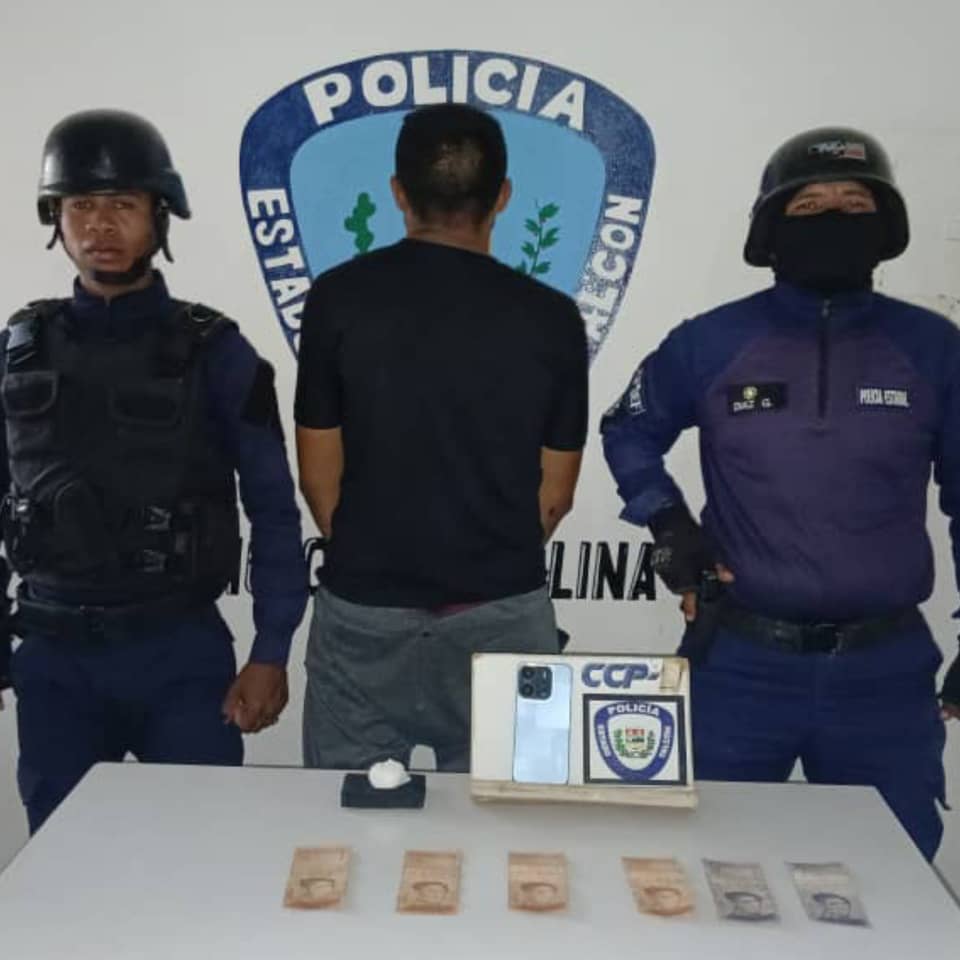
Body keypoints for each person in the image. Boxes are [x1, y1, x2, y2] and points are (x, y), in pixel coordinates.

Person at [601, 126, 959, 861]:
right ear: (770, 229)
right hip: (739, 666)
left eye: (853, 203)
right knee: (701, 868)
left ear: (885, 227)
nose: (833, 217)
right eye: (809, 205)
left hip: (884, 674)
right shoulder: (710, 342)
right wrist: (668, 522)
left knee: (893, 880)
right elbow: (627, 429)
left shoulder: (935, 349)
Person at [1, 110, 308, 832]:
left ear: (159, 216)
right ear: (56, 219)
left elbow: (273, 511)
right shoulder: (20, 348)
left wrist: (270, 652)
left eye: (123, 204)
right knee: (62, 859)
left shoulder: (218, 353)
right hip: (54, 656)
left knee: (200, 851)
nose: (100, 225)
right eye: (81, 204)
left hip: (177, 653)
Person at [295, 103, 587, 771]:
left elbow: (317, 476)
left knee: (353, 819)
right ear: (503, 196)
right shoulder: (552, 318)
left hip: (365, 612)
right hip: (502, 614)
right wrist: (481, 558)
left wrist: (378, 555)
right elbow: (555, 495)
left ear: (398, 193)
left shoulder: (337, 299)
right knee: (507, 824)